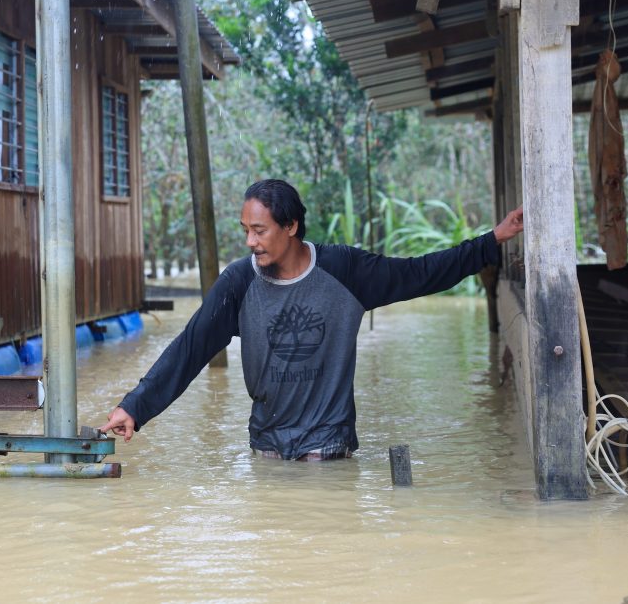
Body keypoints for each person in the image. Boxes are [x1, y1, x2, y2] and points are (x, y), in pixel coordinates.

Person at [99, 179, 525, 461]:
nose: (250, 241)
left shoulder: (344, 271)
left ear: (290, 226)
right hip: (266, 443)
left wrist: (492, 240)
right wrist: (134, 407)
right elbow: (189, 349)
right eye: (245, 230)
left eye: (260, 230)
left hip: (329, 445)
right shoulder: (239, 282)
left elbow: (419, 273)